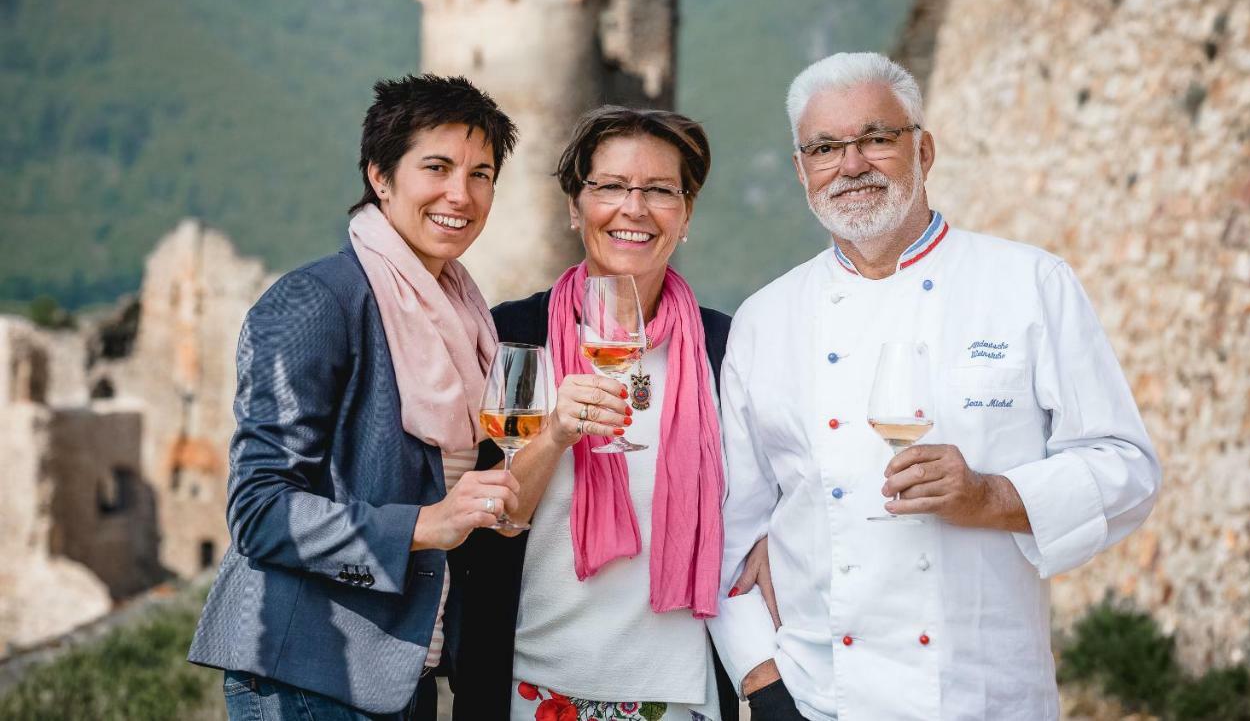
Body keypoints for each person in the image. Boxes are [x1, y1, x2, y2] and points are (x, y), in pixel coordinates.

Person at [708, 53, 1161, 720]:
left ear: (924, 148)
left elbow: (1127, 468)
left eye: (877, 138)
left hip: (984, 696)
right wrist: (765, 687)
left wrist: (992, 494)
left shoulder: (1029, 283)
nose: (852, 163)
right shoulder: (765, 319)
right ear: (802, 170)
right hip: (819, 698)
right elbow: (725, 530)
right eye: (826, 147)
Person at [188, 74, 521, 721]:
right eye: (438, 166)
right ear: (381, 175)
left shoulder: (467, 317)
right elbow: (260, 512)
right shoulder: (317, 300)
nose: (462, 193)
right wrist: (428, 524)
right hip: (309, 670)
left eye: (481, 173)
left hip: (402, 667)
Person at [451, 106, 740, 720]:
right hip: (532, 687)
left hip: (678, 692)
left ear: (686, 215)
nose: (633, 209)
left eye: (661, 190)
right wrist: (555, 433)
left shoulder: (727, 350)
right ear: (574, 207)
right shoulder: (511, 336)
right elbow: (487, 522)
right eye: (609, 186)